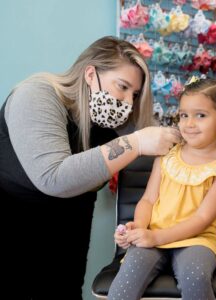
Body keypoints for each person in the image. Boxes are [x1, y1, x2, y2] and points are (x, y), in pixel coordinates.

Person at [0, 36, 181, 300]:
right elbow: (54, 177)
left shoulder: (111, 122)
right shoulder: (36, 95)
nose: (127, 101)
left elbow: (154, 133)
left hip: (68, 231)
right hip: (14, 218)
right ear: (90, 73)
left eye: (135, 94)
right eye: (122, 87)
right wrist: (136, 142)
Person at [108, 77, 216, 300]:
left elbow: (203, 218)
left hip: (197, 239)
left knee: (195, 276)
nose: (189, 124)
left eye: (200, 115)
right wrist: (139, 228)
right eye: (184, 115)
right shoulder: (167, 155)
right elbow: (148, 200)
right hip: (153, 233)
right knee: (126, 279)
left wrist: (155, 237)